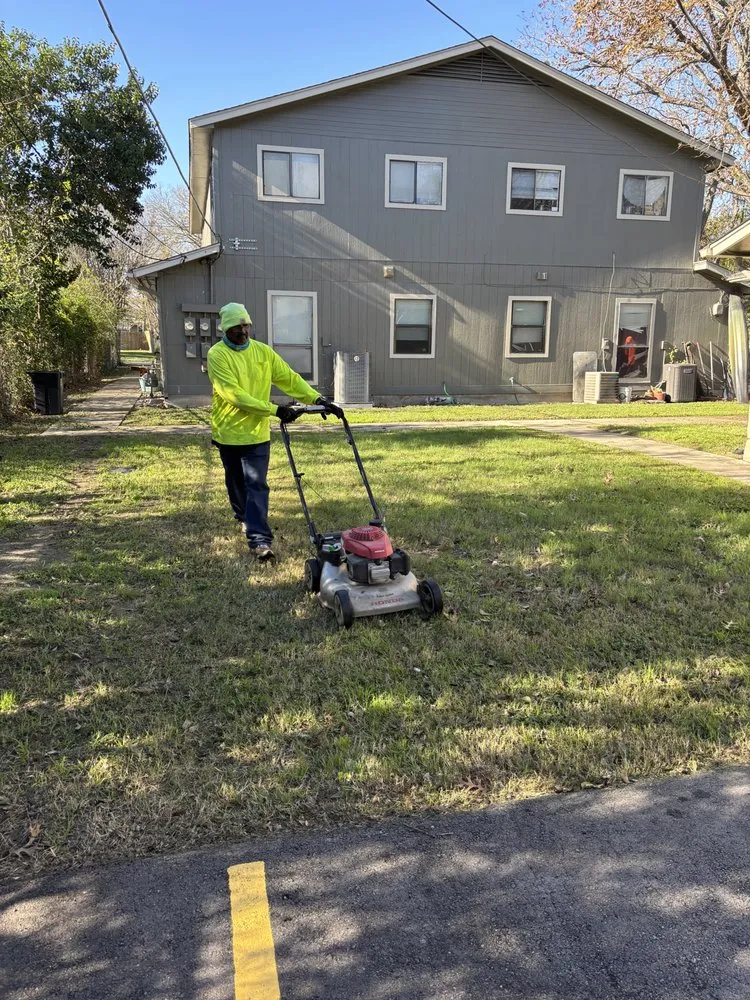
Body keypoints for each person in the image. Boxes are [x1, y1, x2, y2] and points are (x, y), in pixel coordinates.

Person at [206, 302, 341, 561]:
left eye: (246, 325)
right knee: (235, 483)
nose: (243, 331)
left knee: (256, 484)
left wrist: (318, 400)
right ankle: (243, 516)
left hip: (257, 434)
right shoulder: (217, 355)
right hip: (229, 433)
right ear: (225, 329)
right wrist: (275, 410)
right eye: (236, 328)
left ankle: (260, 540)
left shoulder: (262, 352)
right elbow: (234, 395)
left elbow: (289, 378)